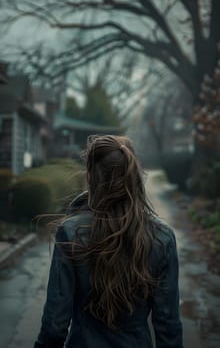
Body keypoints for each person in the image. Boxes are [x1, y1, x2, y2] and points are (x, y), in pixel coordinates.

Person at [34, 135, 183, 348]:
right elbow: (168, 327)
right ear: (134, 177)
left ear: (89, 177)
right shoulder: (163, 238)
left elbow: (54, 326)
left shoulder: (70, 232)